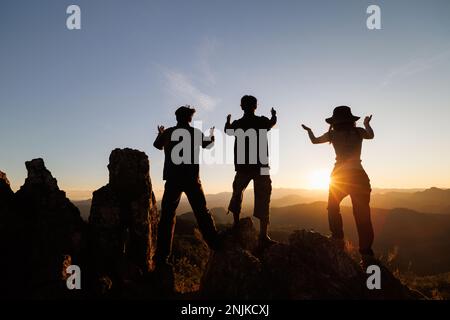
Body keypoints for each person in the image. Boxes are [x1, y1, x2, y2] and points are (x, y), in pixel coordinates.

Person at [301, 106, 375, 259]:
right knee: (363, 215)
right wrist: (367, 123)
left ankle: (337, 238)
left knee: (333, 207)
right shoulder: (359, 131)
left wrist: (309, 131)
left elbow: (314, 141)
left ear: (334, 121)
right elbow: (371, 135)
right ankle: (366, 252)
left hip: (340, 177)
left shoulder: (332, 134)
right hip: (359, 176)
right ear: (351, 120)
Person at [153, 105, 220, 268]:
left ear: (176, 117)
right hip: (192, 179)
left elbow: (157, 145)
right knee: (202, 212)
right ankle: (215, 244)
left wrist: (161, 133)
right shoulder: (195, 133)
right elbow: (209, 145)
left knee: (167, 217)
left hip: (172, 179)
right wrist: (212, 136)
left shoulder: (168, 132)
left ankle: (162, 257)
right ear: (190, 118)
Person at [225, 95, 277, 247]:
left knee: (237, 192)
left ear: (241, 106)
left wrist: (228, 120)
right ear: (256, 106)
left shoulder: (238, 123)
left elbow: (228, 130)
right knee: (264, 197)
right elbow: (272, 123)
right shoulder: (261, 121)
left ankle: (236, 225)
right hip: (261, 164)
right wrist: (274, 114)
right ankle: (263, 235)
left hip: (243, 166)